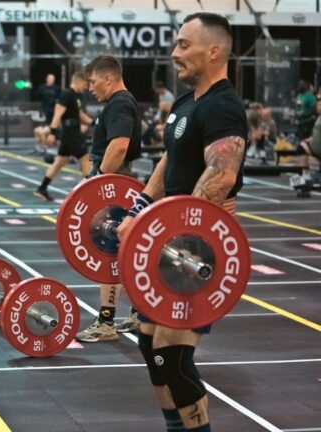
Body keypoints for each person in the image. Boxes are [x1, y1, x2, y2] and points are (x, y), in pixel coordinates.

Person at [117, 13, 248, 432]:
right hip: (171, 239)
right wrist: (140, 210)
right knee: (149, 341)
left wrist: (176, 226)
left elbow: (223, 173)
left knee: (172, 353)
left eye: (184, 45)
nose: (175, 53)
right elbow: (169, 159)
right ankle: (176, 425)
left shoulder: (223, 106)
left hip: (199, 247)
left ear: (214, 51)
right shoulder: (186, 104)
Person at [73, 55, 143, 342]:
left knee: (109, 251)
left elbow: (119, 145)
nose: (90, 88)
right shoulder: (119, 103)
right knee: (120, 251)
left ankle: (106, 322)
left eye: (92, 82)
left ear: (108, 79)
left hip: (114, 181)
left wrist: (97, 181)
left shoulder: (119, 104)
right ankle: (139, 313)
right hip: (115, 180)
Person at [34, 72, 92, 201]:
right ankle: (88, 194)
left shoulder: (76, 96)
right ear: (78, 81)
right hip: (71, 133)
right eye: (85, 84)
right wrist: (53, 133)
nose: (86, 87)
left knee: (60, 162)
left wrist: (92, 122)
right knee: (85, 160)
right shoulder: (66, 94)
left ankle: (42, 188)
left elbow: (80, 113)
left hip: (72, 132)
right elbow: (57, 113)